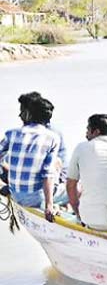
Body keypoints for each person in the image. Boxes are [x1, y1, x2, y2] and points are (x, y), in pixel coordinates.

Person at [0, 92, 66, 220]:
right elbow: (48, 174)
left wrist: (8, 173)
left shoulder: (11, 133)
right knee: (79, 188)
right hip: (37, 196)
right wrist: (49, 205)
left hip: (16, 194)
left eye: (22, 111)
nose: (19, 115)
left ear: (29, 114)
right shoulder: (53, 137)